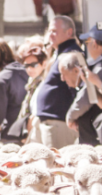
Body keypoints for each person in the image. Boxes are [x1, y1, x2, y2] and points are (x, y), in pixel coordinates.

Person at [29, 16, 80, 148]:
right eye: (49, 31)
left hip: (58, 122)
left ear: (69, 32)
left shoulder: (72, 54)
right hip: (47, 120)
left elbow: (76, 88)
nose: (50, 35)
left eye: (54, 31)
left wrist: (73, 116)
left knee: (56, 165)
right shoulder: (59, 53)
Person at [66, 25, 102, 147]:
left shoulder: (101, 67)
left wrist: (70, 116)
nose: (86, 46)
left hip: (99, 127)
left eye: (87, 42)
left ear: (94, 43)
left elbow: (87, 96)